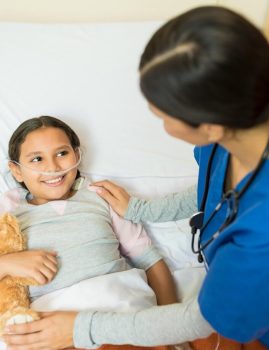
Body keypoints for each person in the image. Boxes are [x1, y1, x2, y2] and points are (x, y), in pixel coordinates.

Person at [3, 5, 269, 350]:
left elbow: (199, 319)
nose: (156, 120)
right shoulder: (236, 134)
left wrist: (82, 328)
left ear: (209, 125)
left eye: (162, 114)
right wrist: (142, 209)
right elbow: (215, 190)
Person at [0, 116, 178, 345]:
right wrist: (7, 263)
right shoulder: (9, 212)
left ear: (77, 154)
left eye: (62, 153)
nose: (52, 167)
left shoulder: (101, 196)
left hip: (118, 308)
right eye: (37, 159)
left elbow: (150, 260)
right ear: (16, 171)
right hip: (52, 323)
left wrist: (172, 330)